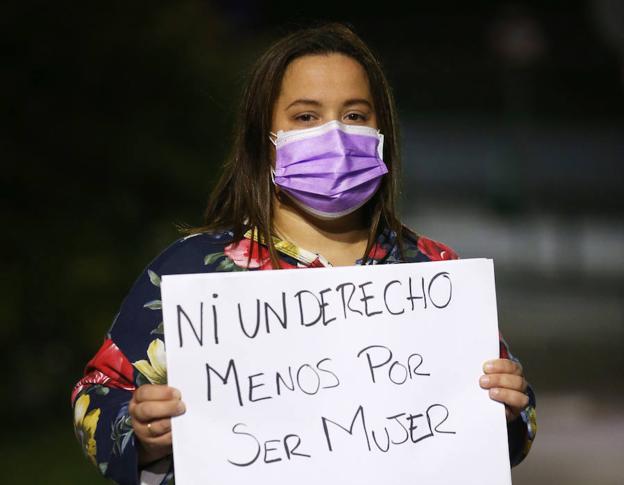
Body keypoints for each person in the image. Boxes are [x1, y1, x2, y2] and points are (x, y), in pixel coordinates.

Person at [71, 22, 537, 485]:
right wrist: (142, 433)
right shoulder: (188, 272)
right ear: (263, 139)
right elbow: (96, 395)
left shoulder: (435, 272)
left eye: (355, 115)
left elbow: (510, 417)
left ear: (383, 132)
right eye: (306, 117)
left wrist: (510, 411)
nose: (334, 135)